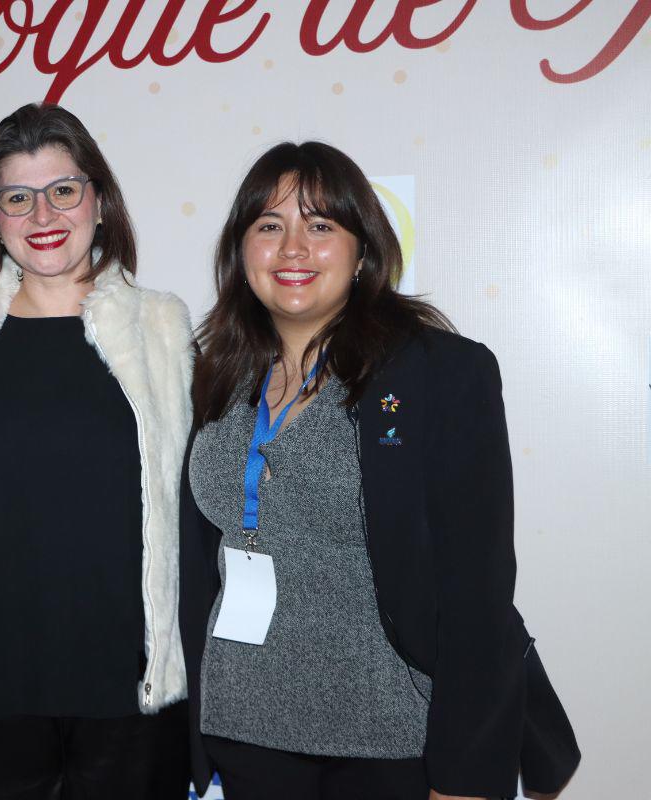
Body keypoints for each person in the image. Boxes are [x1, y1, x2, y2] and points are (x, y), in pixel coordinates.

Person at [179, 141, 579, 800]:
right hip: (242, 730)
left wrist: (465, 776)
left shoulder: (438, 374)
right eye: (269, 226)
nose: (293, 248)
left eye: (321, 226)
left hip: (392, 739)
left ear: (363, 249)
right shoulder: (214, 374)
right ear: (240, 250)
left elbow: (478, 592)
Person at [0, 103, 193, 799]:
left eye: (64, 190)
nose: (44, 215)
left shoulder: (162, 325)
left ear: (99, 199)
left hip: (130, 686)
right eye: (18, 197)